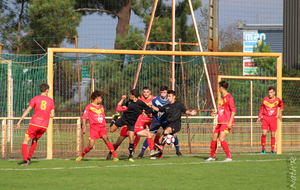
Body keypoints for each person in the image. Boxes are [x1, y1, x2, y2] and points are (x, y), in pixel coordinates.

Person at [106, 87, 158, 160]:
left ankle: (131, 156)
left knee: (131, 139)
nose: (129, 95)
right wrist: (124, 104)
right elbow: (124, 104)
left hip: (131, 123)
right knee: (116, 138)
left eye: (130, 94)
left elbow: (149, 109)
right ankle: (111, 152)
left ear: (133, 95)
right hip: (124, 120)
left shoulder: (140, 103)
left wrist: (146, 112)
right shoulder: (130, 101)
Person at [137, 86, 183, 159]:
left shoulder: (169, 100)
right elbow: (151, 108)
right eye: (161, 92)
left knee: (172, 134)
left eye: (165, 92)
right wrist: (147, 112)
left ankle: (177, 151)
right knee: (150, 134)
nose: (163, 94)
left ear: (167, 93)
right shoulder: (155, 99)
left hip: (166, 121)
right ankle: (142, 152)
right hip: (156, 120)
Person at [17, 83, 55, 166]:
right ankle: (29, 158)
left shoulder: (35, 99)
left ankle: (25, 160)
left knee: (25, 141)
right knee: (34, 140)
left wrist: (20, 121)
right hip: (44, 126)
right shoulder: (51, 101)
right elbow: (52, 115)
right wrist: (45, 114)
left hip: (34, 124)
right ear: (47, 90)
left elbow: (27, 111)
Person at [151, 90, 197, 157]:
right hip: (169, 124)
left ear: (174, 97)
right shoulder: (166, 106)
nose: (168, 98)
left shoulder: (178, 104)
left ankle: (162, 147)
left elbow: (185, 111)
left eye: (170, 96)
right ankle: (160, 153)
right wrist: (152, 106)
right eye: (168, 96)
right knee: (161, 139)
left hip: (176, 124)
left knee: (166, 132)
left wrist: (191, 113)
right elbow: (158, 109)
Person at [76, 91, 119, 162]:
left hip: (102, 127)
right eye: (100, 98)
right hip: (94, 128)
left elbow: (102, 117)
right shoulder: (89, 107)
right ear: (96, 98)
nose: (101, 100)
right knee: (91, 146)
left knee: (106, 139)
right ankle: (81, 155)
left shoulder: (101, 107)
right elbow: (84, 118)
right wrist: (84, 128)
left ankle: (115, 156)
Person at [206, 80, 236, 162]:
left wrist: (230, 122)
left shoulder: (229, 97)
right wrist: (217, 113)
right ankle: (212, 156)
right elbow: (224, 110)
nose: (218, 89)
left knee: (221, 138)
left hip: (226, 122)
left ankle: (229, 157)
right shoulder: (223, 98)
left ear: (221, 87)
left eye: (219, 87)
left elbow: (233, 110)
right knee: (214, 137)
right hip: (221, 121)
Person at [256, 86, 283, 154]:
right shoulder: (265, 99)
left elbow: (281, 105)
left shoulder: (277, 100)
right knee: (264, 133)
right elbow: (261, 108)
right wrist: (259, 117)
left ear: (274, 93)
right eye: (269, 92)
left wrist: (280, 113)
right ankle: (263, 149)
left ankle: (272, 150)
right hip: (265, 118)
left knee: (273, 135)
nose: (270, 94)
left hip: (273, 118)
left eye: (271, 92)